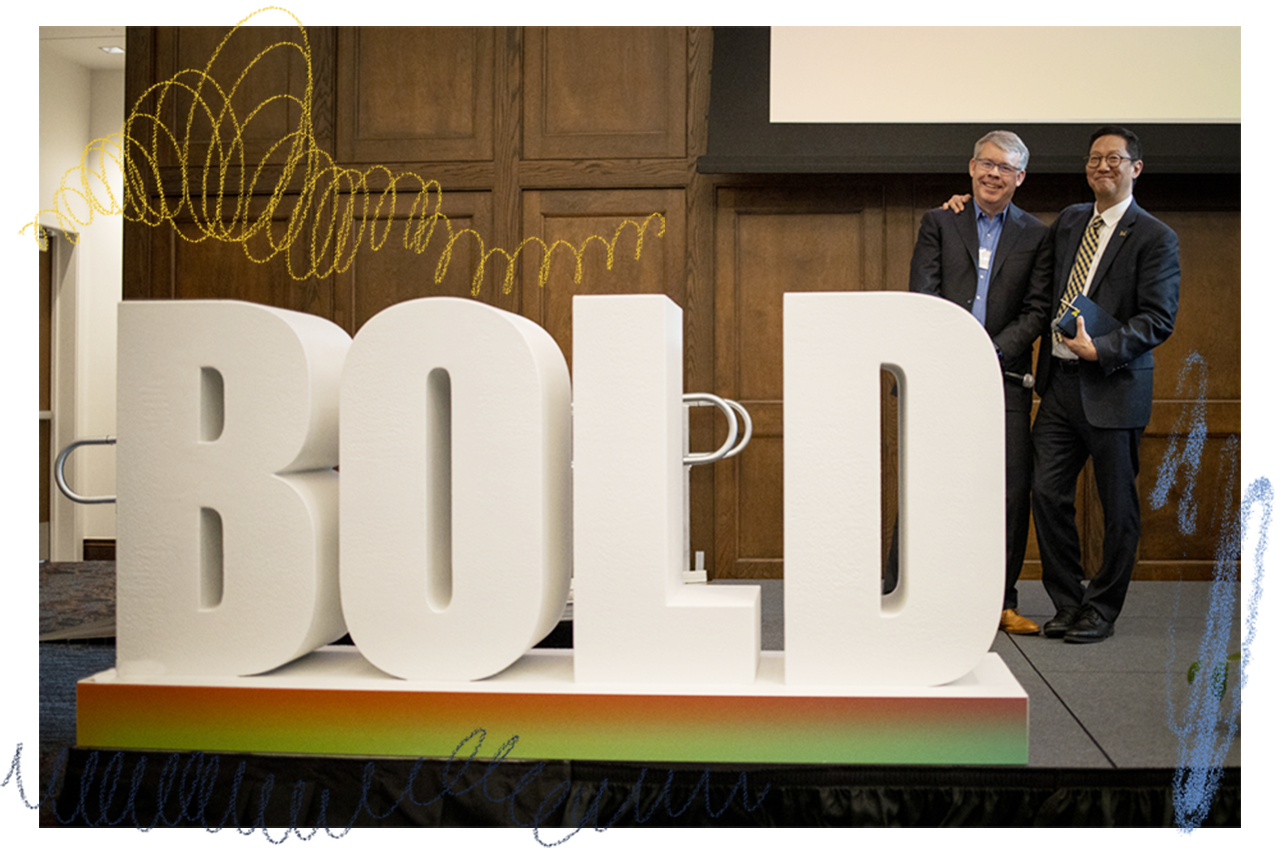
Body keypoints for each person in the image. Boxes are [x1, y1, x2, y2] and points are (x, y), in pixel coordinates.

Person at [1029, 126, 1180, 643]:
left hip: (1114, 386)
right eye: (1095, 158)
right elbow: (1037, 272)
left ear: (1136, 168)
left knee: (1118, 509)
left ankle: (1102, 610)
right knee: (1046, 494)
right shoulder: (1071, 220)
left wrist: (1104, 349)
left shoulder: (1156, 236)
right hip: (1059, 388)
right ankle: (1069, 603)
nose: (1102, 166)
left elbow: (1158, 318)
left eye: (1114, 158)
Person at [901, 130, 1052, 635]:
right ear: (971, 167)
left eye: (1005, 168)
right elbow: (924, 295)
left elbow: (1037, 310)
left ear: (1020, 177)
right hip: (940, 378)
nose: (993, 174)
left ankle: (1000, 602)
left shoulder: (1036, 234)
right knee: (928, 484)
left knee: (1010, 490)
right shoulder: (940, 222)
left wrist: (989, 351)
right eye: (986, 164)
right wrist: (954, 351)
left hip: (1005, 379)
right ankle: (907, 592)